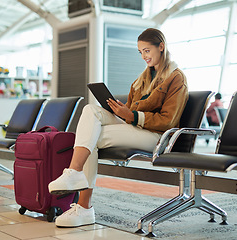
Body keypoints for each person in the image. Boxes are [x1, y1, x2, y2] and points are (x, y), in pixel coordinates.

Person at [48, 28, 189, 227]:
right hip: (135, 127)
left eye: (147, 50)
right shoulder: (141, 80)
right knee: (90, 110)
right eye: (140, 52)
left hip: (157, 137)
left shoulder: (176, 78)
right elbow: (130, 112)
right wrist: (122, 112)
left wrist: (131, 115)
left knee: (91, 137)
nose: (144, 56)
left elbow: (168, 120)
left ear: (161, 47)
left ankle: (83, 203)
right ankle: (75, 175)